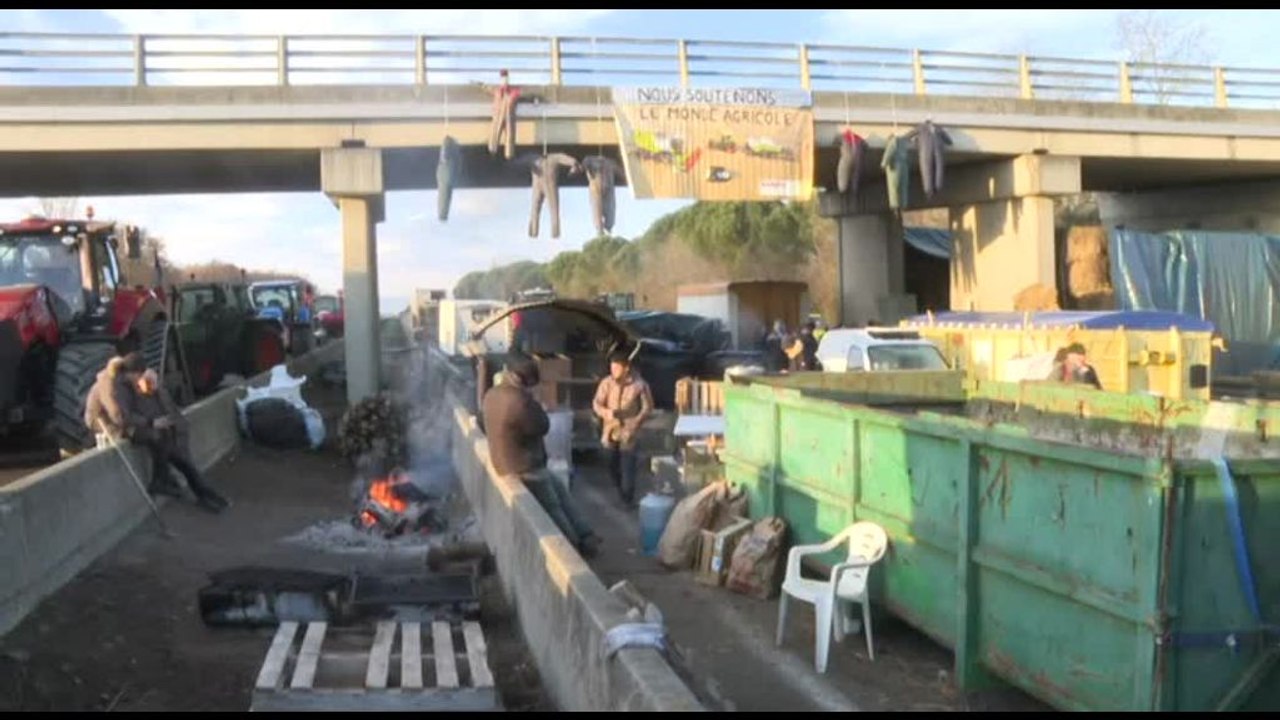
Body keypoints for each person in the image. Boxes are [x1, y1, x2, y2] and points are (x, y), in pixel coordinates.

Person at [482, 353, 601, 556]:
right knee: (553, 504)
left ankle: (586, 533)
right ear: (524, 381)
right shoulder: (521, 401)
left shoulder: (492, 394)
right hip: (523, 467)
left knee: (561, 490)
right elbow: (542, 426)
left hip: (505, 462)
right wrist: (537, 404)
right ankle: (575, 546)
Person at [86, 354, 230, 513]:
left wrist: (156, 391)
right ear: (132, 373)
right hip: (106, 422)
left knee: (169, 443)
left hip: (128, 420)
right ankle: (161, 480)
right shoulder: (110, 385)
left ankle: (198, 489)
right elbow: (119, 416)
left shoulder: (129, 382)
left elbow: (143, 408)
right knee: (156, 437)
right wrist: (151, 423)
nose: (139, 380)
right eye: (139, 377)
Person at [591, 350, 654, 505]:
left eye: (617, 368)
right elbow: (597, 403)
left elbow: (647, 407)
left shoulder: (640, 384)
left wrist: (636, 421)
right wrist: (607, 413)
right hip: (610, 430)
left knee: (628, 466)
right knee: (611, 463)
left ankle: (627, 498)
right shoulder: (607, 383)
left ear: (626, 368)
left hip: (629, 431)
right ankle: (619, 487)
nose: (613, 371)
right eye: (612, 368)